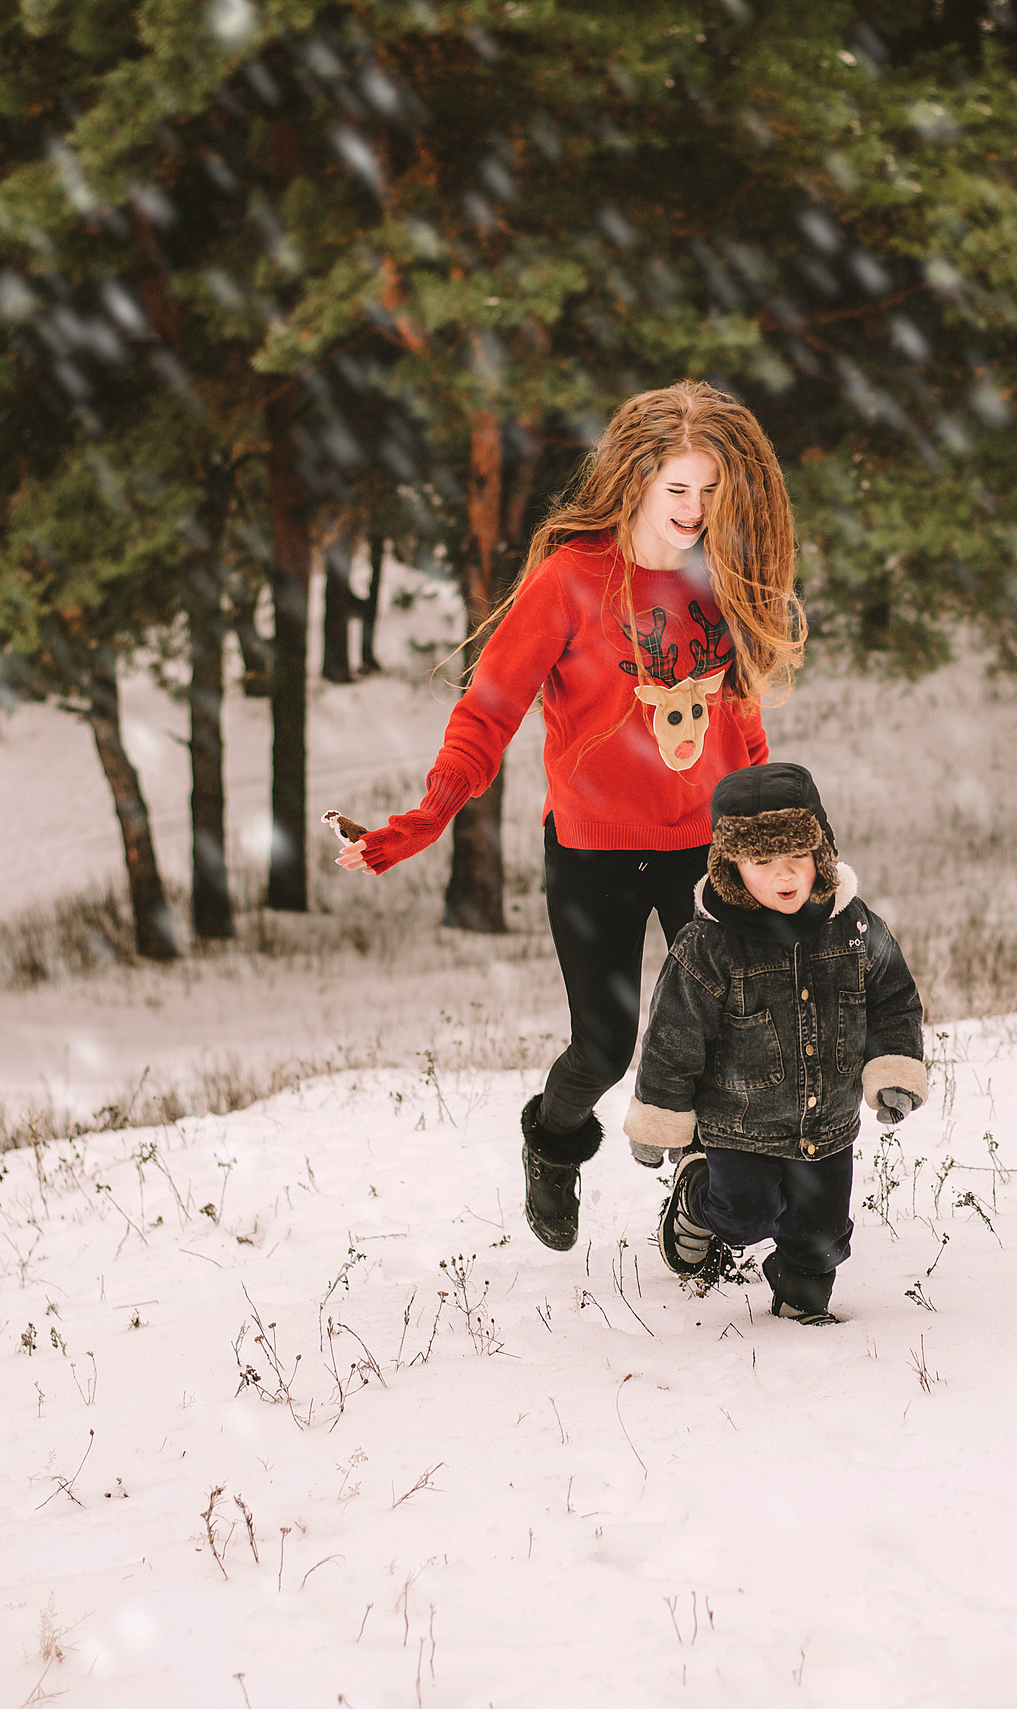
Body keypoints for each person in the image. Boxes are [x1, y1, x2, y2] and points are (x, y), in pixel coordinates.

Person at [334, 381, 803, 1252]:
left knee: (731, 1032)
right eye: (677, 491)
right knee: (604, 1049)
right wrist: (424, 819)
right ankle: (551, 1143)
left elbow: (740, 721)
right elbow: (488, 714)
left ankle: (705, 1202)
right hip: (592, 853)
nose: (696, 511)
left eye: (709, 491)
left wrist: (767, 834)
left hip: (704, 848)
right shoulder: (570, 580)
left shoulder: (721, 576)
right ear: (634, 480)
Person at [626, 763, 927, 1325]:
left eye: (797, 857)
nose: (784, 875)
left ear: (823, 854)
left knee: (822, 1232)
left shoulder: (855, 927)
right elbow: (673, 1038)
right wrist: (662, 1118)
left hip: (829, 1124)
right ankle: (696, 1194)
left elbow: (894, 999)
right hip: (737, 1125)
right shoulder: (707, 947)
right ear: (732, 868)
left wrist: (892, 1070)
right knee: (743, 1218)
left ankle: (800, 1300)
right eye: (761, 862)